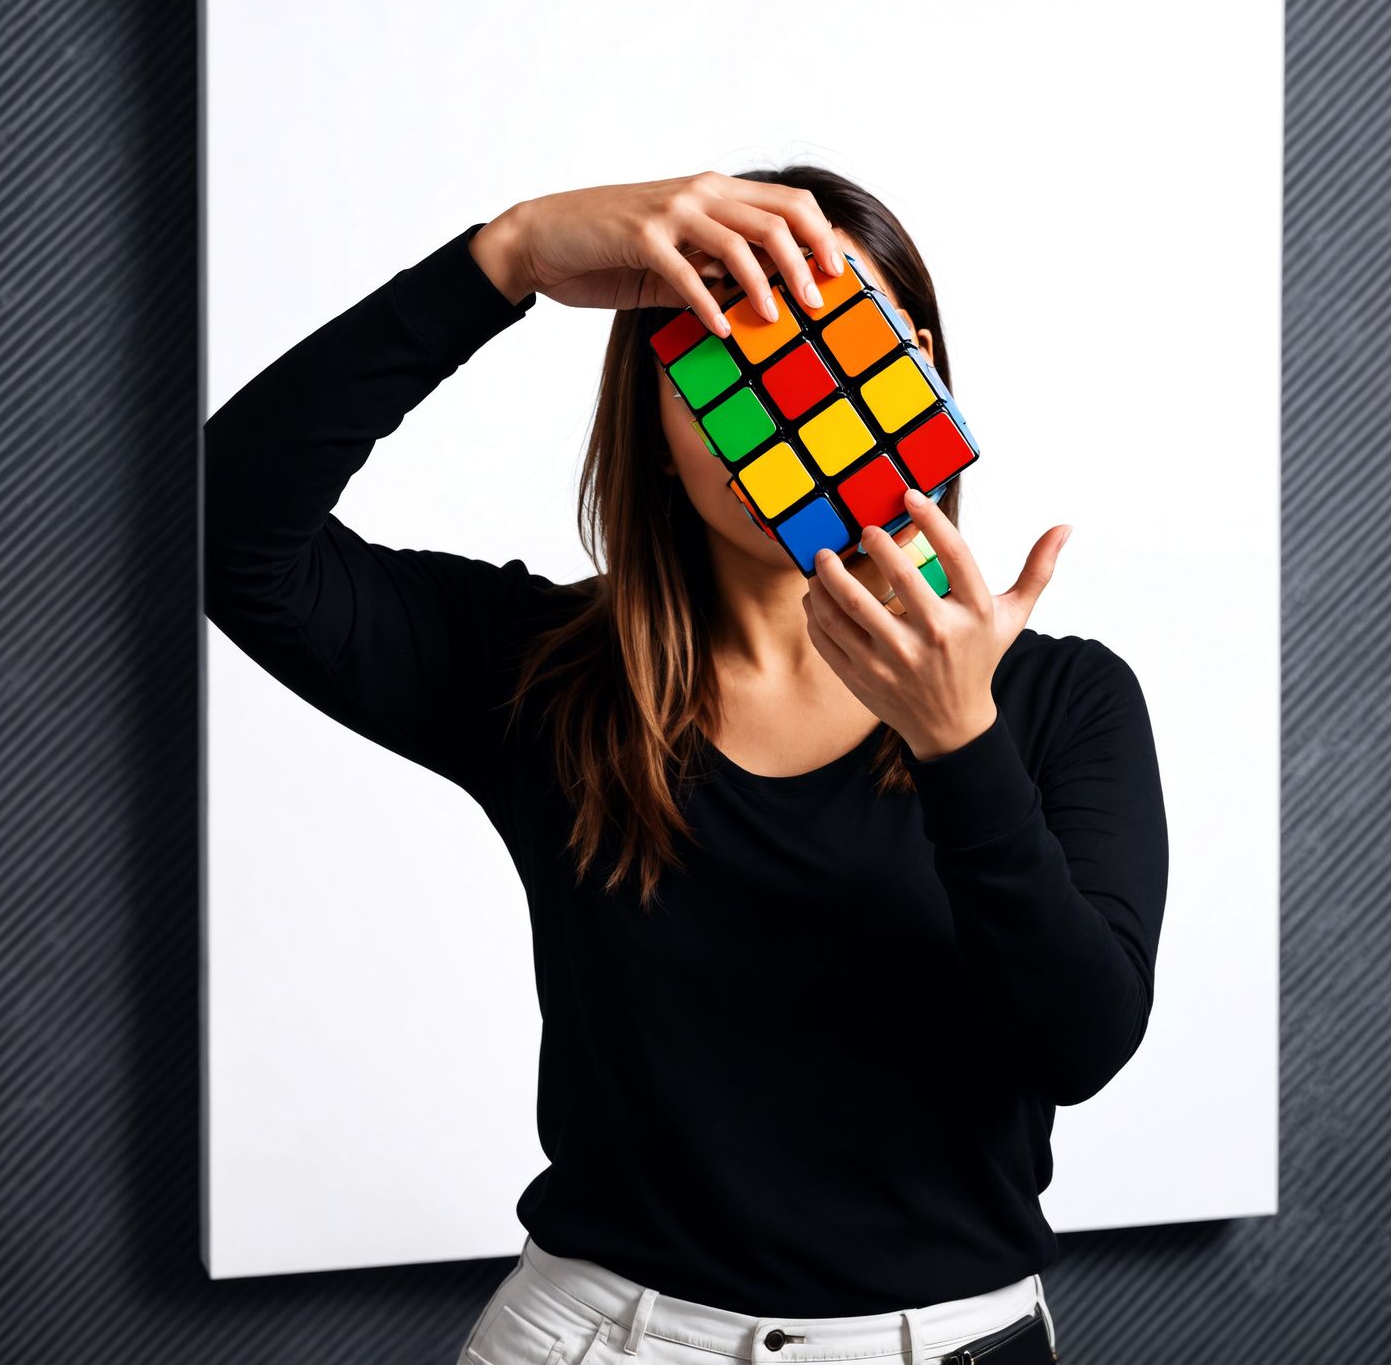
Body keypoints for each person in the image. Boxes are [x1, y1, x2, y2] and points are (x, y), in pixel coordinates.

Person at [203, 166, 1171, 1365]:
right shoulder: (544, 674)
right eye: (726, 345)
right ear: (657, 413)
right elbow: (225, 532)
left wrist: (955, 741)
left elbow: (1078, 1043)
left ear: (916, 360)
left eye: (831, 336)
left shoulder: (1061, 700)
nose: (785, 394)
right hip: (599, 1340)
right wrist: (503, 257)